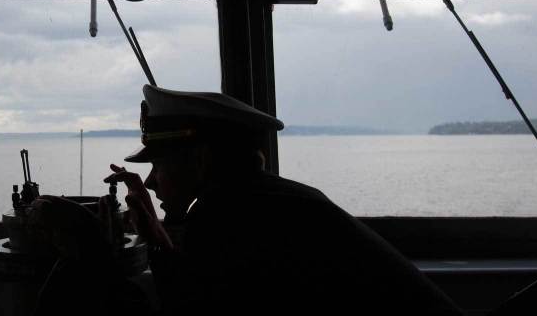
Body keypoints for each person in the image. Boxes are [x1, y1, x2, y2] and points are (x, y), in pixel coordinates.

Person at [31, 84, 464, 315]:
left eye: (159, 165)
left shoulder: (233, 216)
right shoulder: (264, 200)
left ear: (200, 160)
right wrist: (153, 223)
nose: (153, 181)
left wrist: (88, 251)